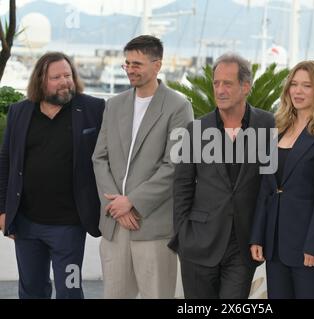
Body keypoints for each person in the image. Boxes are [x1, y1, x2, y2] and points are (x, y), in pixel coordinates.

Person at [92, 35, 193, 299]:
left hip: (152, 226)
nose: (130, 69)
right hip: (115, 224)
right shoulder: (114, 105)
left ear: (157, 65)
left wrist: (133, 202)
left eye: (137, 63)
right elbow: (99, 158)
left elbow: (175, 163)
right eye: (127, 63)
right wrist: (117, 205)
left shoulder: (178, 106)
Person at [168, 53, 275, 299]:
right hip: (198, 243)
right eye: (216, 83)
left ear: (245, 87)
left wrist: (260, 234)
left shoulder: (266, 125)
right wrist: (183, 235)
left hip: (243, 244)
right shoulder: (196, 129)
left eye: (227, 83)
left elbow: (269, 184)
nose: (220, 90)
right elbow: (182, 185)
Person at [0, 52, 105, 299]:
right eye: (56, 77)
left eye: (67, 75)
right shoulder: (19, 112)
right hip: (26, 225)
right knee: (31, 291)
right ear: (40, 81)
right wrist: (3, 211)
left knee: (70, 290)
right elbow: (5, 161)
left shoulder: (93, 109)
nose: (64, 82)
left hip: (70, 226)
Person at [249, 61, 314, 298]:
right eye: (294, 84)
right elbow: (266, 189)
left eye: (306, 86)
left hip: (309, 247)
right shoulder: (278, 128)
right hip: (275, 245)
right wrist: (258, 236)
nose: (298, 91)